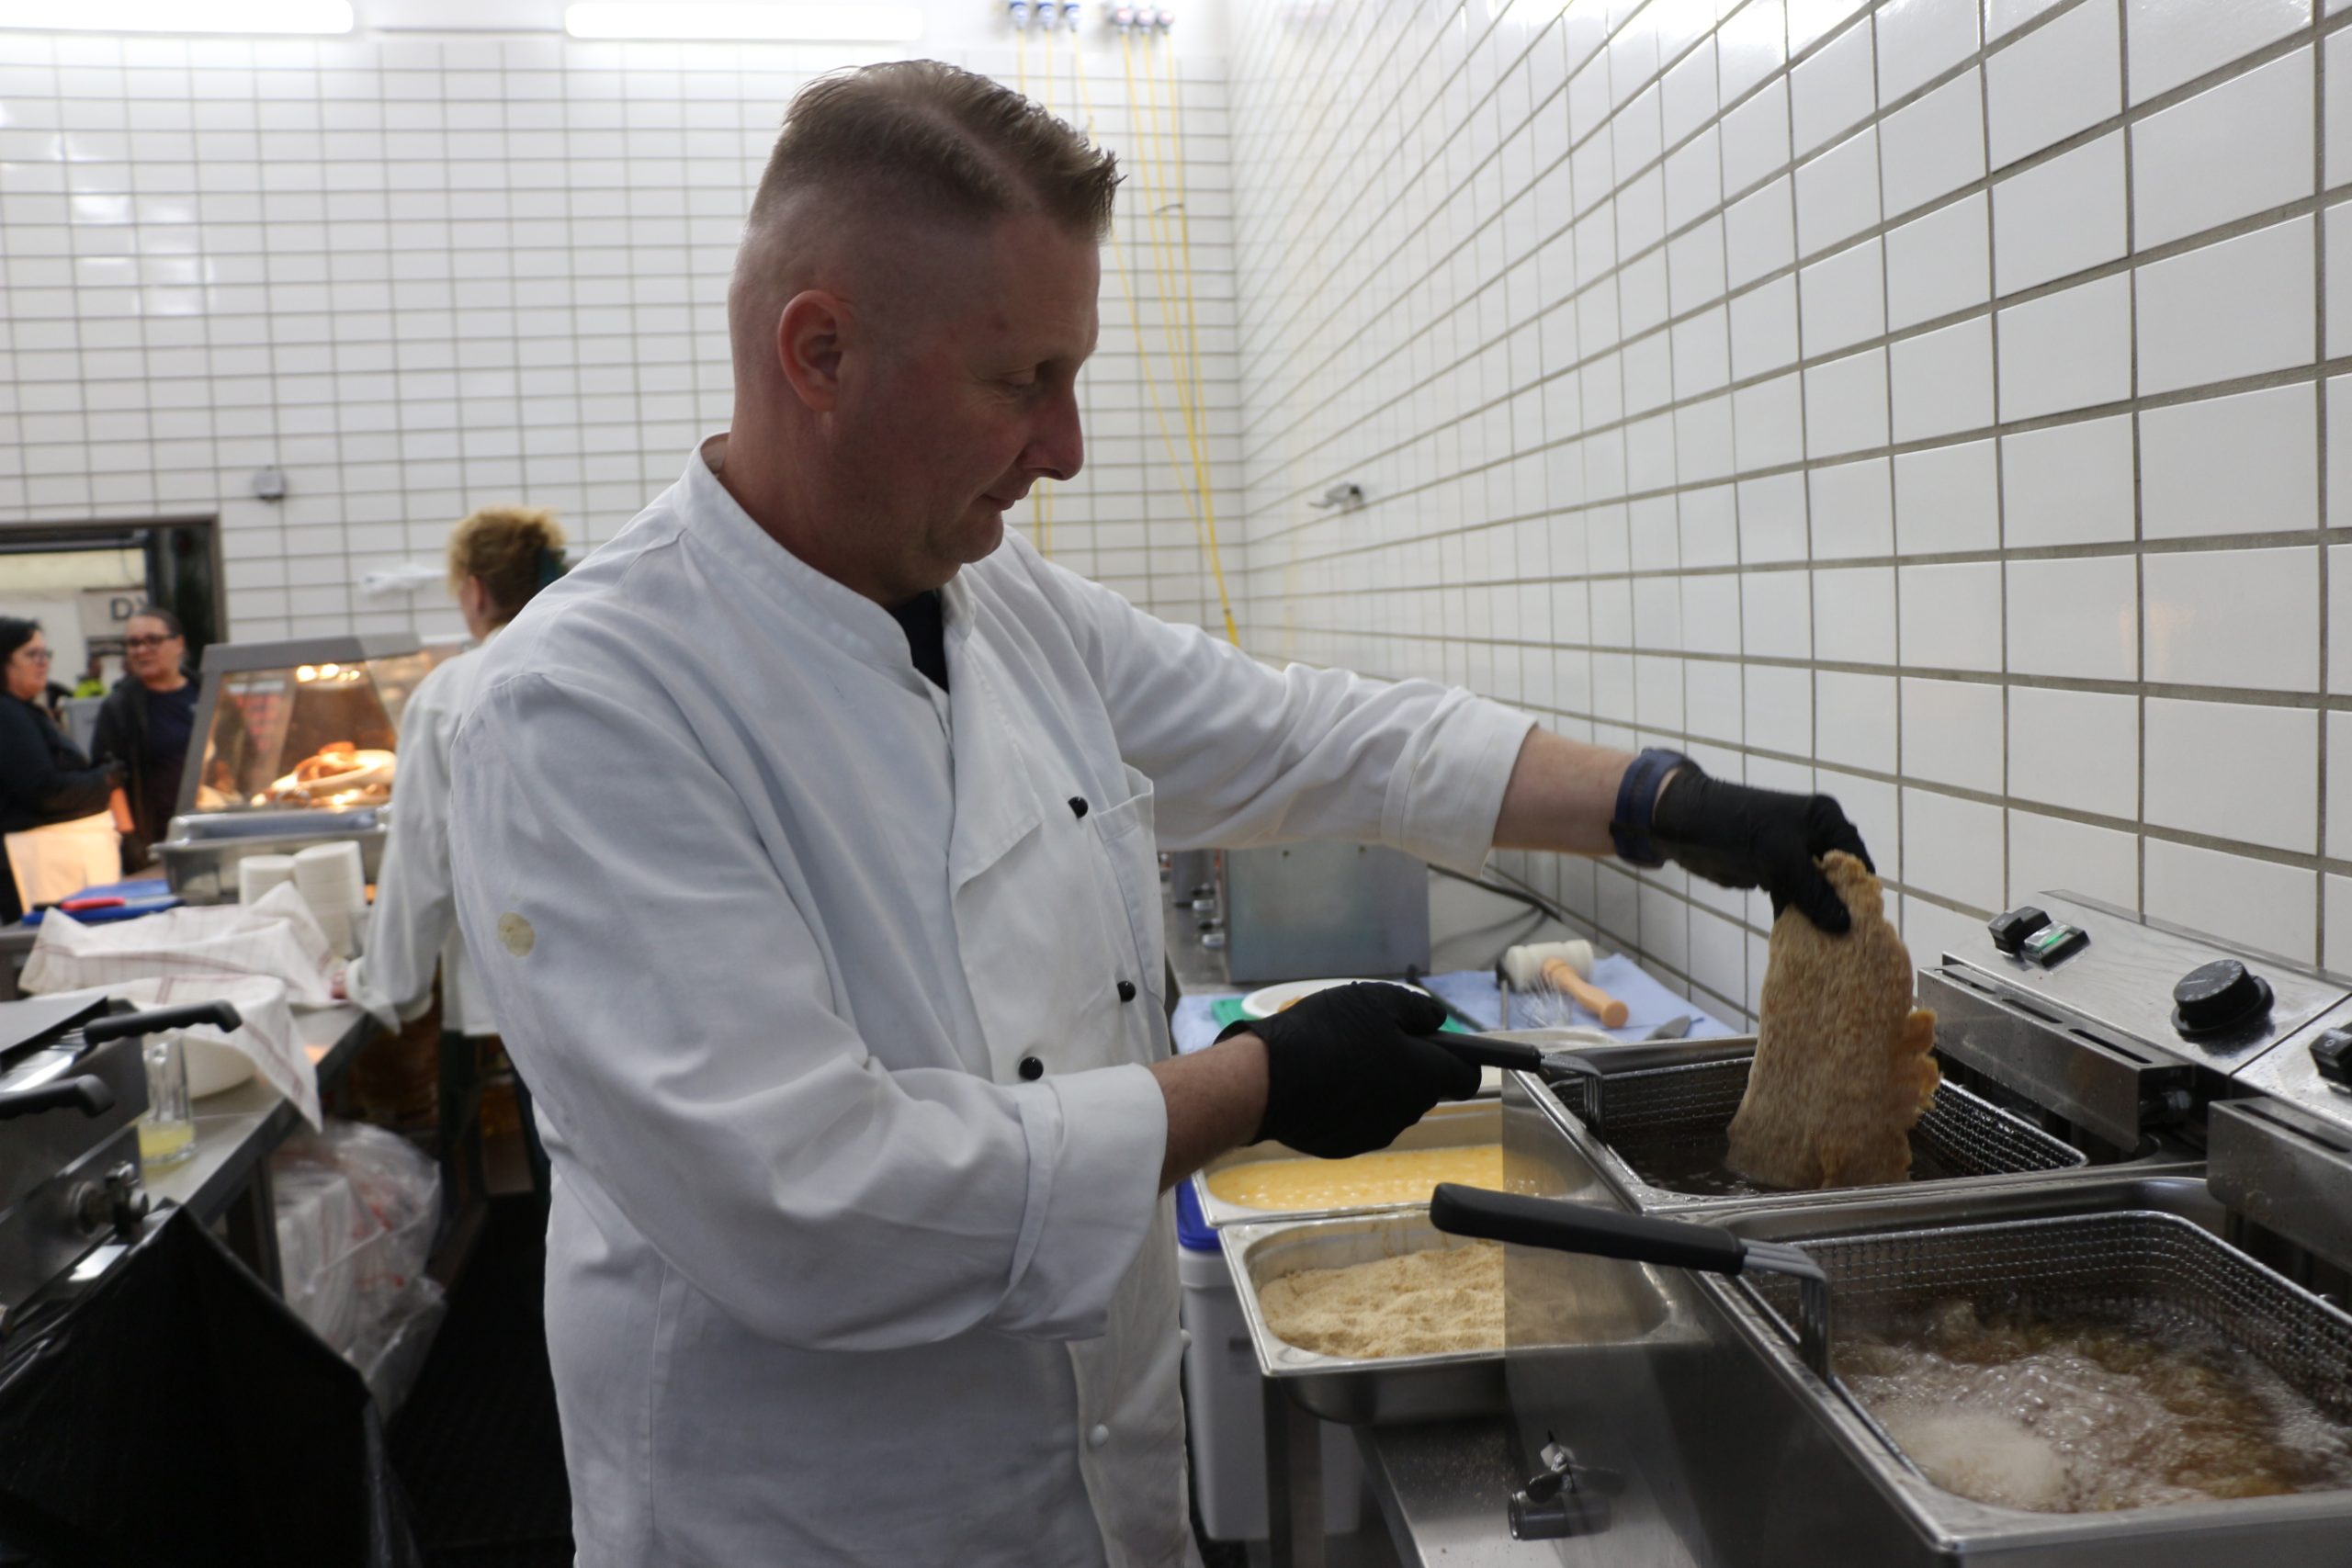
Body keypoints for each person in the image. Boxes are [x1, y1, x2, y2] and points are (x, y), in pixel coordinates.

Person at [446, 62, 1872, 1568]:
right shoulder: (581, 708)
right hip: (819, 1520)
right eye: (1022, 380)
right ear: (820, 352)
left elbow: (1311, 737)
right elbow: (813, 1201)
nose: (1064, 447)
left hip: (1100, 1485)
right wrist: (1258, 1082)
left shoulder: (1002, 604)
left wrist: (1659, 802)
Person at [345, 507, 567, 1180]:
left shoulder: (452, 690)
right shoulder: (599, 658)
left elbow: (422, 856)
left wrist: (387, 984)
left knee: (563, 1173)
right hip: (633, 973)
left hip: (527, 982)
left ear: (474, 590)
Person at [0, 618, 123, 925]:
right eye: (31, 654)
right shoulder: (8, 714)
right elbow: (44, 791)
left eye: (45, 654)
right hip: (38, 865)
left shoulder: (23, 711)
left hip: (54, 861)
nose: (43, 663)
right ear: (4, 661)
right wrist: (104, 781)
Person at [90, 606, 198, 871]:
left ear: (179, 644)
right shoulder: (119, 707)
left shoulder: (205, 692)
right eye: (133, 643)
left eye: (152, 640)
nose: (141, 650)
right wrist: (131, 841)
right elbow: (109, 778)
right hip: (154, 843)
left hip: (208, 829)